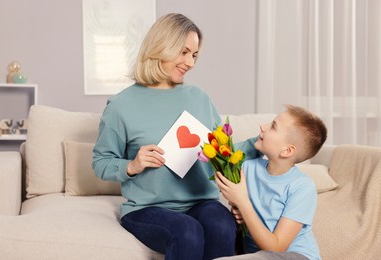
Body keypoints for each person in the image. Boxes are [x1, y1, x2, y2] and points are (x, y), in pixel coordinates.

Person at [92, 13, 260, 260]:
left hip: (200, 202)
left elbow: (224, 152)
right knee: (186, 231)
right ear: (161, 46)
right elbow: (101, 162)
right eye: (183, 52)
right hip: (147, 209)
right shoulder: (121, 105)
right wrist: (132, 165)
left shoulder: (199, 98)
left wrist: (262, 144)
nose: (190, 63)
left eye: (194, 55)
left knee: (222, 224)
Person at [215, 105, 327, 260]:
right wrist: (240, 214)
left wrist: (243, 203)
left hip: (295, 256)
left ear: (287, 151)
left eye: (273, 126)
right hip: (257, 254)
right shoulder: (247, 168)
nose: (263, 126)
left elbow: (277, 248)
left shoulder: (302, 187)